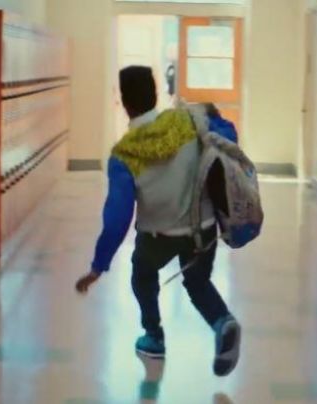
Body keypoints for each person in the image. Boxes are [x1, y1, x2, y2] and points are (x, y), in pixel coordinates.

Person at [75, 66, 240, 377]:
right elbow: (227, 137)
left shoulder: (124, 154)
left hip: (157, 237)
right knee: (198, 283)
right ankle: (223, 322)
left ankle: (154, 336)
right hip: (203, 228)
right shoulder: (187, 122)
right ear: (155, 94)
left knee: (143, 275)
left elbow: (117, 217)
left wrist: (98, 266)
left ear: (124, 103)